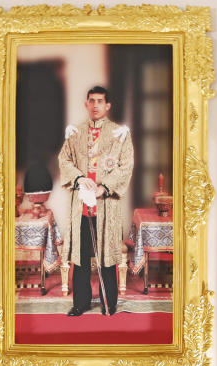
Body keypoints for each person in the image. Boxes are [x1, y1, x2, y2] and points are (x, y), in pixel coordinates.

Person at [59, 85, 134, 317]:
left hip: (106, 204)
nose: (95, 105)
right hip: (81, 204)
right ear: (86, 104)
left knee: (107, 255)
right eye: (91, 101)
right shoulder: (76, 132)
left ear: (108, 105)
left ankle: (108, 303)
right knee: (80, 257)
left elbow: (126, 165)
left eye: (100, 101)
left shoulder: (119, 133)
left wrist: (105, 187)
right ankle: (80, 303)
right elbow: (64, 160)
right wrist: (80, 178)